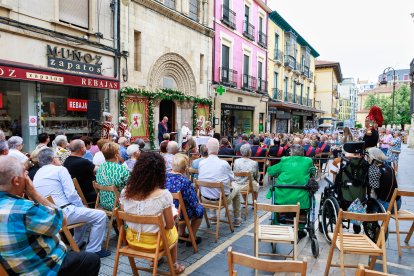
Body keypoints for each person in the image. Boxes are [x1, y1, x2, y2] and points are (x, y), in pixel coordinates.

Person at [0, 155, 101, 275]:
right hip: (44, 269)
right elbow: (62, 220)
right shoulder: (26, 209)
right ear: (16, 181)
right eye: (25, 173)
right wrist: (34, 193)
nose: (27, 175)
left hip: (18, 267)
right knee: (92, 259)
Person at [33, 148, 110, 258]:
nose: (59, 159)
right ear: (52, 159)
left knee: (82, 214)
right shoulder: (60, 169)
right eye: (57, 157)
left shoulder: (38, 173)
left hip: (48, 215)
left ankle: (76, 244)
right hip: (63, 213)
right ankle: (93, 250)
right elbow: (71, 194)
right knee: (100, 215)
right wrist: (81, 206)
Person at [120, 151, 185, 274]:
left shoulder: (125, 192)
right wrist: (173, 215)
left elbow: (125, 214)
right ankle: (174, 265)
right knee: (173, 229)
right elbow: (170, 225)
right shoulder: (163, 195)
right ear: (160, 173)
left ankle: (155, 260)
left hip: (132, 241)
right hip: (156, 243)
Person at [267, 144, 315, 239]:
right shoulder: (308, 161)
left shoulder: (285, 160)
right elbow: (312, 173)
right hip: (301, 196)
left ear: (291, 153)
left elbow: (271, 172)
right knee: (304, 203)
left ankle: (277, 222)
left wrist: (269, 167)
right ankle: (300, 229)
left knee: (277, 199)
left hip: (283, 195)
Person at [198, 138, 242, 227]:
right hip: (221, 200)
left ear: (207, 148)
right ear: (218, 149)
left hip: (204, 199)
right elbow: (232, 178)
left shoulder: (201, 163)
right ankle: (237, 219)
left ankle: (213, 217)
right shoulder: (224, 164)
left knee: (210, 186)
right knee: (237, 188)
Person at [165, 154, 203, 246]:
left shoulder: (164, 177)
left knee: (184, 205)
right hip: (179, 213)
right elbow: (193, 202)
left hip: (166, 211)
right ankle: (191, 237)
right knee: (199, 209)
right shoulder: (184, 181)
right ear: (184, 168)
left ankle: (181, 233)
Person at [96, 142, 130, 211]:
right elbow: (131, 186)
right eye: (119, 152)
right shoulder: (121, 169)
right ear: (116, 155)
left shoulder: (100, 168)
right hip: (118, 204)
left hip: (104, 203)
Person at [64, 139, 97, 205]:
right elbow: (99, 170)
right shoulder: (83, 162)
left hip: (76, 194)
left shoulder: (66, 161)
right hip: (89, 194)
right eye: (84, 146)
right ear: (81, 148)